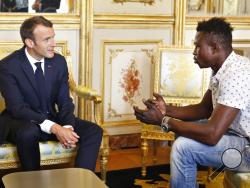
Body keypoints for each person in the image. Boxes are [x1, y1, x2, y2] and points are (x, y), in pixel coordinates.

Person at [134, 17, 250, 188]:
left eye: (198, 46)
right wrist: (165, 110)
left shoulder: (236, 75)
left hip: (246, 152)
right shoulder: (222, 69)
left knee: (183, 148)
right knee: (184, 133)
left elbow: (212, 134)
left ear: (215, 48)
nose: (194, 52)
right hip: (235, 137)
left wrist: (162, 121)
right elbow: (204, 109)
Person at [0, 16, 103, 172]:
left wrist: (67, 127)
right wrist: (55, 128)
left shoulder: (58, 62)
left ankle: (81, 180)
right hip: (21, 121)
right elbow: (17, 108)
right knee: (29, 132)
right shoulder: (8, 66)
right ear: (30, 43)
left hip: (50, 117)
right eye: (47, 40)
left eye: (53, 37)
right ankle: (33, 182)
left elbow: (64, 100)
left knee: (94, 130)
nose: (53, 44)